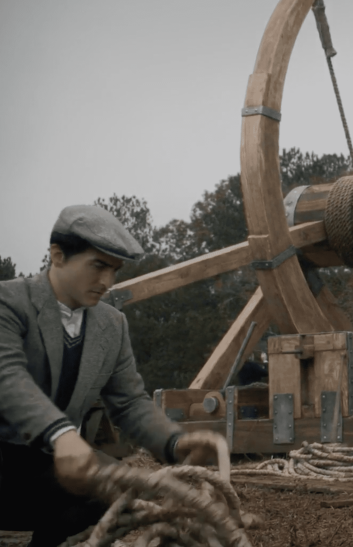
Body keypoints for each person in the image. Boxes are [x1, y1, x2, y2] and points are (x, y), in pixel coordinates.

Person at [0, 205, 222, 546]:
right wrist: (61, 434)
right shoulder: (8, 301)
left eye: (114, 270)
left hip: (47, 462)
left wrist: (174, 442)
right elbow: (7, 377)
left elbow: (129, 401)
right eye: (98, 266)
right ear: (57, 256)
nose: (107, 282)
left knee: (119, 488)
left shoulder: (112, 324)